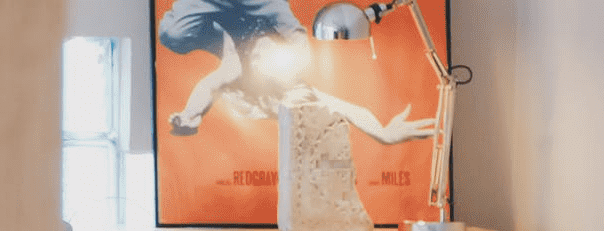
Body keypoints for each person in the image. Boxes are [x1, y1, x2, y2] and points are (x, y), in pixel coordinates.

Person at [157, 0, 436, 144]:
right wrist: (383, 132)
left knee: (176, 35)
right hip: (246, 21)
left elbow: (208, 87)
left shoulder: (235, 66)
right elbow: (350, 108)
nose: (259, 55)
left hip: (224, 28)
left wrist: (189, 117)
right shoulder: (284, 53)